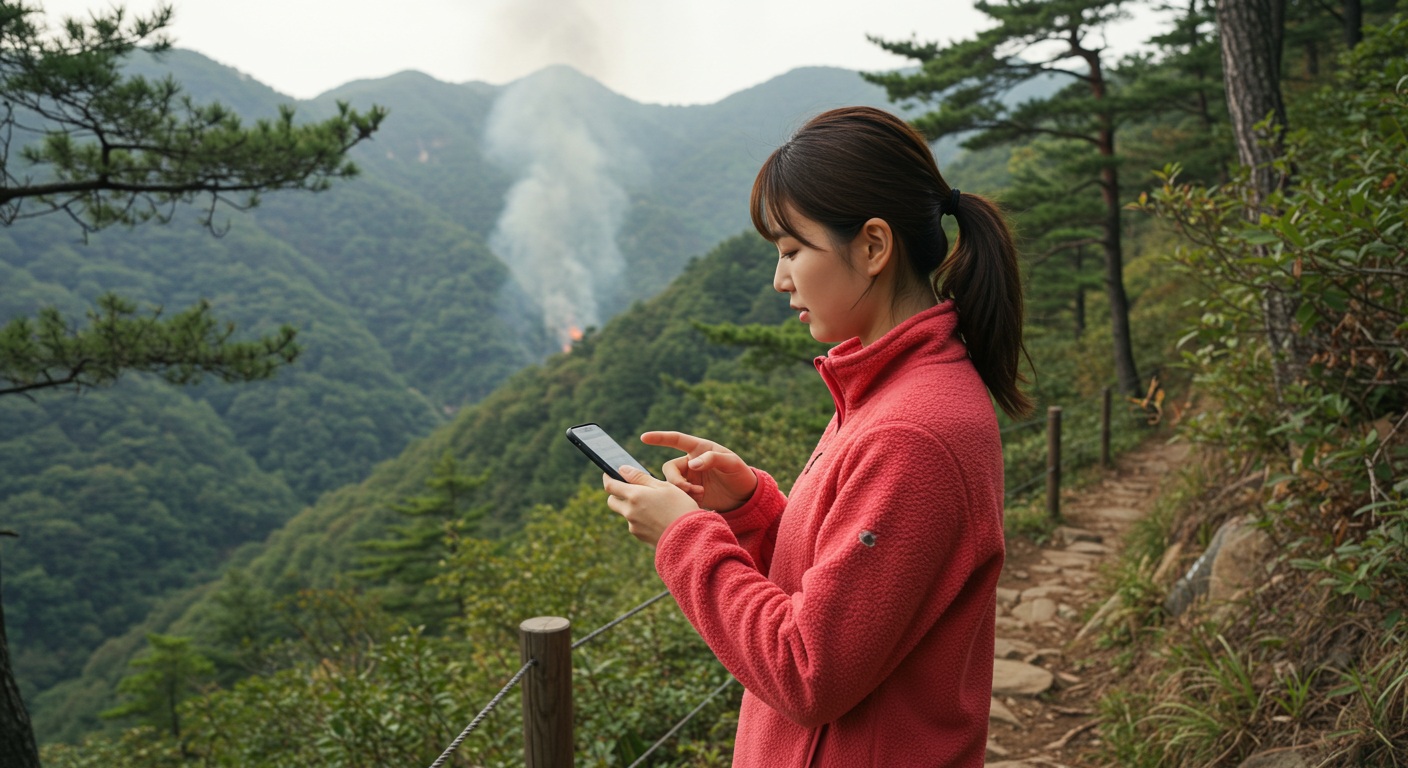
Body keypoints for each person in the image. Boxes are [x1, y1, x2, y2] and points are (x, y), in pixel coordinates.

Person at [601, 105, 1032, 767]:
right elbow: (851, 591)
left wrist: (683, 537)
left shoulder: (911, 432)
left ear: (874, 247)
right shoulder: (887, 391)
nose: (780, 279)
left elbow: (808, 670)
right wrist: (751, 509)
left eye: (792, 251)